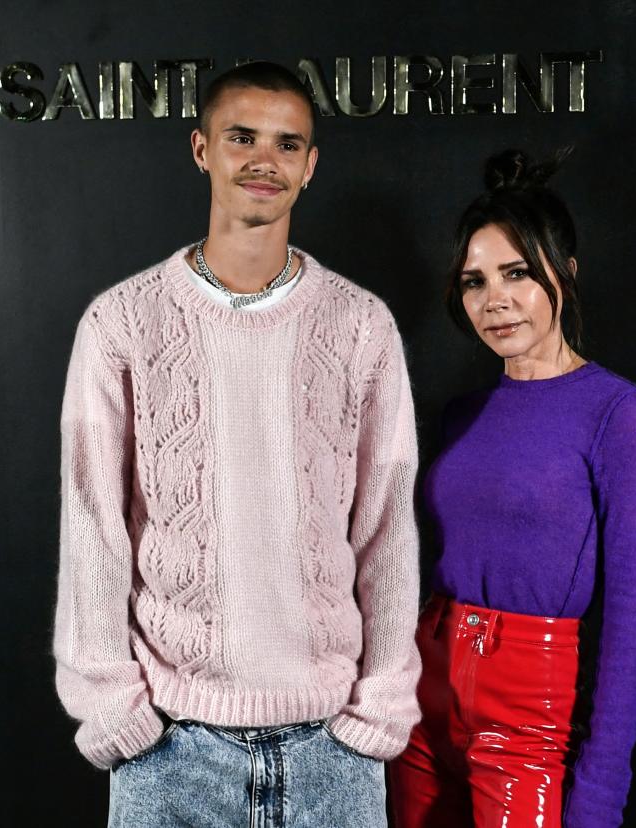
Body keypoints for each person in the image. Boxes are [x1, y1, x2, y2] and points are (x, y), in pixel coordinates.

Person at [53, 61, 421, 828]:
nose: (265, 161)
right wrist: (112, 709)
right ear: (201, 149)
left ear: (310, 166)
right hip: (171, 755)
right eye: (242, 137)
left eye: (289, 145)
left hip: (333, 755)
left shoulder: (361, 326)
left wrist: (381, 707)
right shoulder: (121, 324)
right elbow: (92, 526)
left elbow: (388, 524)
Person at [388, 149, 636, 828]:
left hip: (527, 717)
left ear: (565, 274)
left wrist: (600, 795)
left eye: (516, 273)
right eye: (474, 282)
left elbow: (632, 619)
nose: (496, 301)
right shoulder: (462, 414)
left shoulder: (620, 414)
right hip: (423, 698)